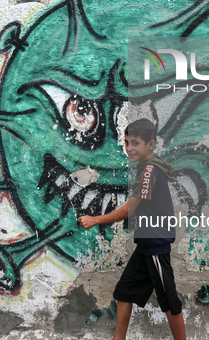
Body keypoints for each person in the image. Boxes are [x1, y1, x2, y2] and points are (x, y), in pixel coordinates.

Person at [78, 118, 186, 340]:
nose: (129, 148)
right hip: (147, 244)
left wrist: (96, 220)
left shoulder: (148, 172)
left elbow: (130, 209)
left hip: (155, 245)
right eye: (127, 142)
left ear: (150, 145)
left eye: (135, 143)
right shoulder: (146, 168)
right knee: (124, 292)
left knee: (169, 301)